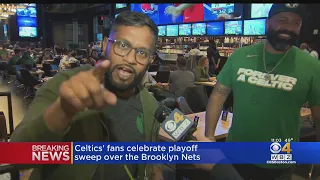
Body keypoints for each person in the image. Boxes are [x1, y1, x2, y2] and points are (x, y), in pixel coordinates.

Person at [11, 11, 165, 180]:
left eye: (142, 52)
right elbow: (17, 154)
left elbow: (151, 167)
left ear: (150, 60)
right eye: (122, 45)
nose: (130, 58)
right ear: (105, 44)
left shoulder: (151, 106)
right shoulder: (67, 84)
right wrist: (63, 111)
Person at [205, 4, 320, 180]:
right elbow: (219, 94)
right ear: (267, 24)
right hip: (236, 154)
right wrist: (209, 137)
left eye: (295, 23)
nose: (289, 28)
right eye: (282, 20)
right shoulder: (240, 56)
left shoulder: (311, 66)